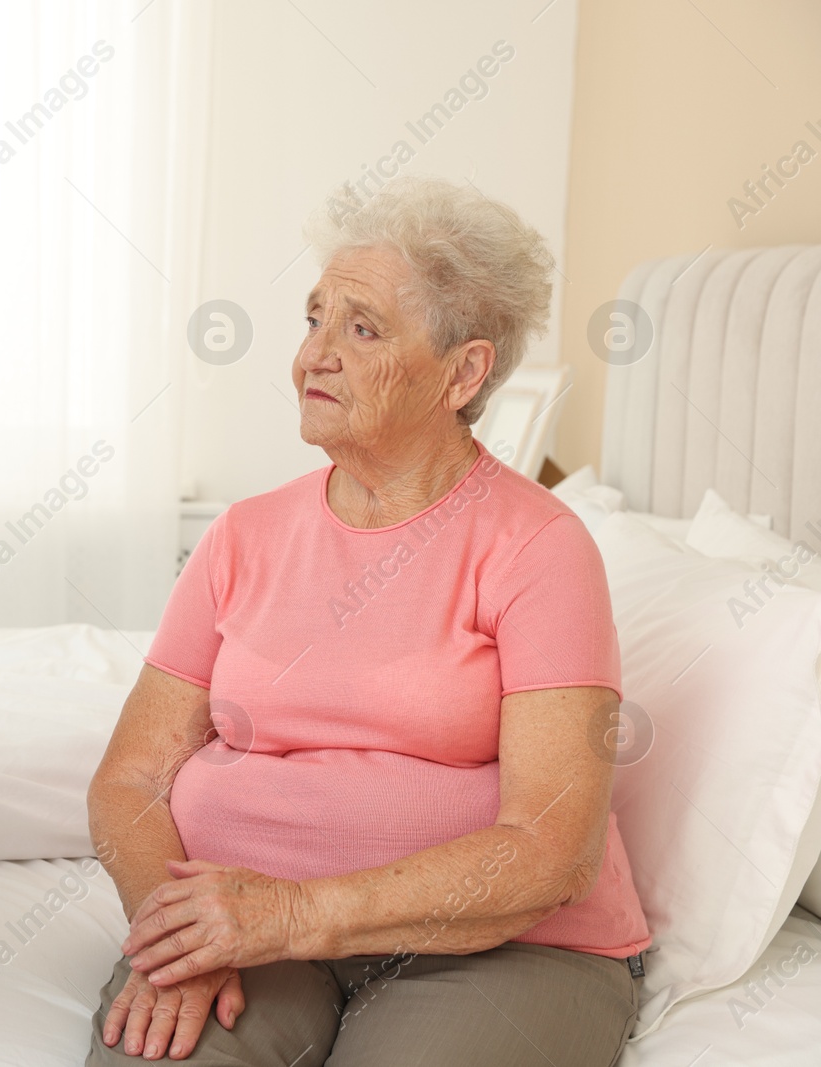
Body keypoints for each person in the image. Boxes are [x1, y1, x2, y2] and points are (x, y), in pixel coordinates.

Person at [84, 177, 651, 1066]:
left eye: (362, 328)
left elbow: (550, 851)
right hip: (243, 929)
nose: (315, 355)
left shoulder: (541, 547)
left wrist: (295, 913)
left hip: (503, 948)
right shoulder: (244, 535)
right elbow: (129, 780)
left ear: (462, 373)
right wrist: (174, 936)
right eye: (314, 319)